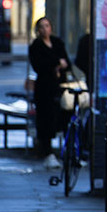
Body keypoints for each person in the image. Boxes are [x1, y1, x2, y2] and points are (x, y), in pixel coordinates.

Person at [28, 17, 70, 160]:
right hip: (44, 88)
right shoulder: (36, 45)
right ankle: (46, 150)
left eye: (47, 25)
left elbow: (67, 63)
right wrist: (57, 63)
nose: (45, 29)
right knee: (45, 119)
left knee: (63, 116)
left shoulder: (57, 42)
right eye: (42, 26)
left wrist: (56, 64)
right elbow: (39, 65)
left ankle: (67, 149)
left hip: (59, 86)